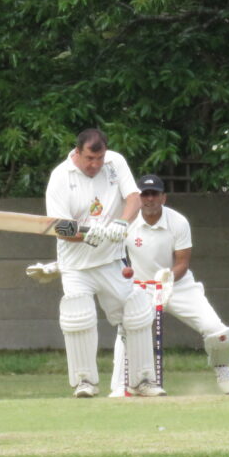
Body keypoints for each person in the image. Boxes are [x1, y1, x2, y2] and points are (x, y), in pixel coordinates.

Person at [45, 128, 164, 398]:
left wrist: (123, 222)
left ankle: (142, 380)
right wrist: (85, 235)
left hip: (111, 260)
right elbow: (58, 227)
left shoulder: (115, 163)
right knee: (78, 316)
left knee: (137, 311)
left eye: (99, 159)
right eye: (89, 159)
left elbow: (133, 198)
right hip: (76, 265)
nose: (95, 165)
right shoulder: (60, 177)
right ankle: (85, 382)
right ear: (77, 152)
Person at [109, 175, 229, 396]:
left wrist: (166, 279)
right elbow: (115, 258)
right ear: (138, 199)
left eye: (154, 194)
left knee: (217, 331)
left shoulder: (178, 222)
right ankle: (122, 386)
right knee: (127, 330)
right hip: (142, 287)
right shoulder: (127, 222)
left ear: (163, 198)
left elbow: (182, 263)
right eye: (144, 195)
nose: (149, 199)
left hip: (177, 285)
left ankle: (221, 365)